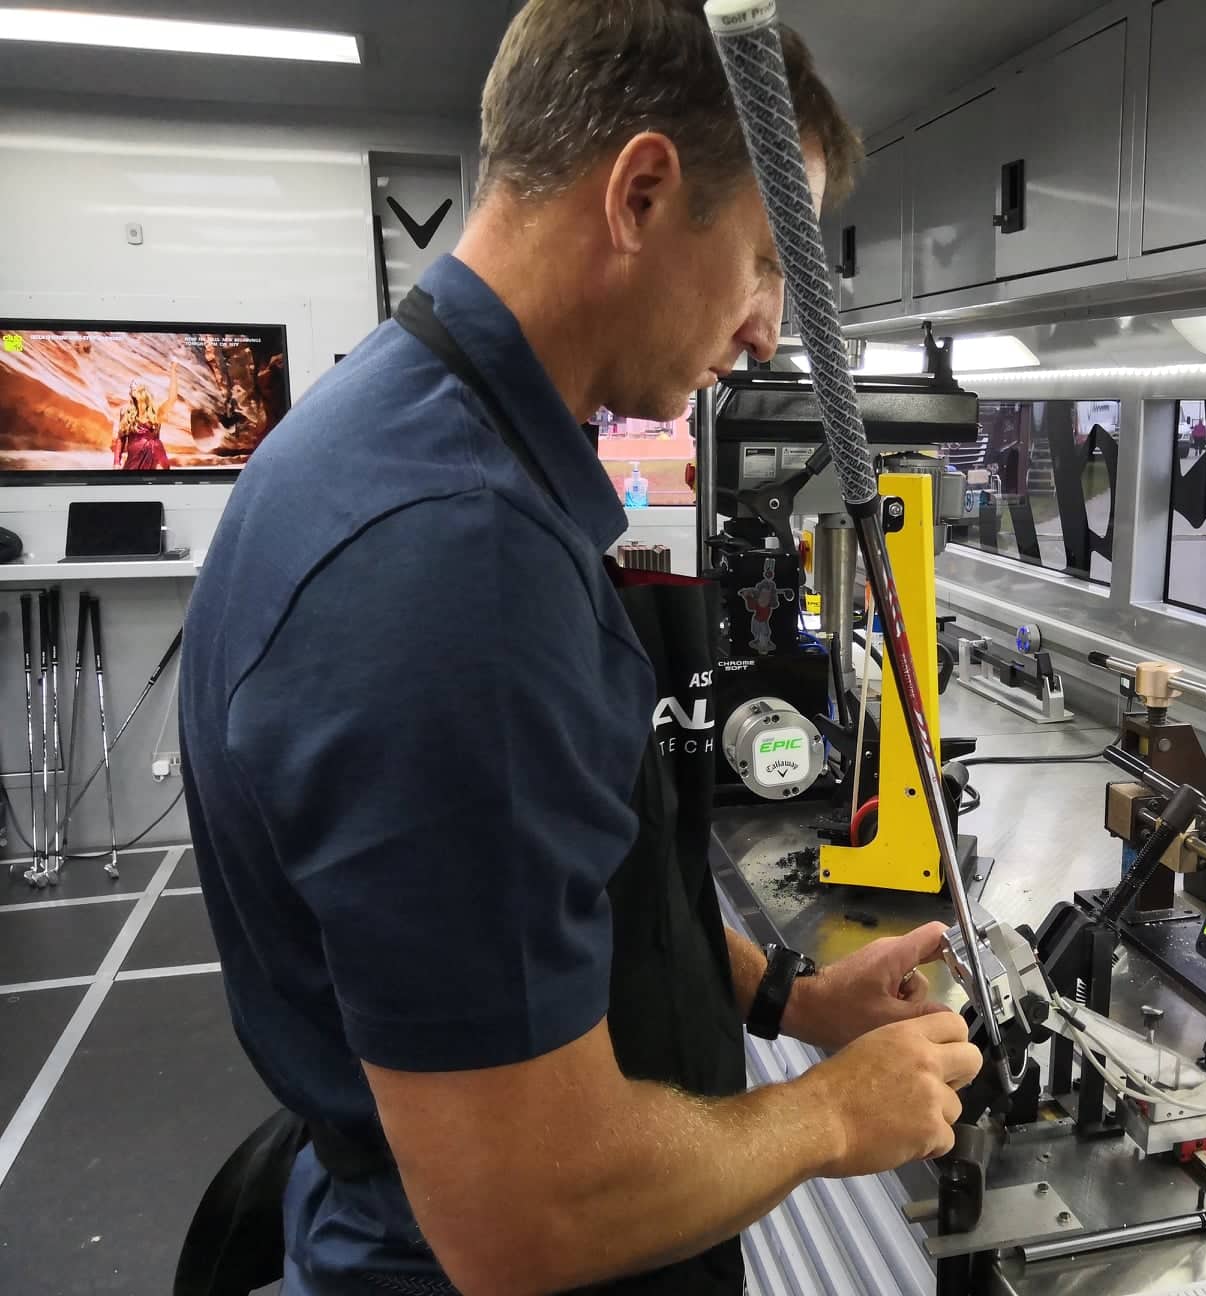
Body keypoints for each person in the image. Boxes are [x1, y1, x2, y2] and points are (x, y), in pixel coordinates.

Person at [177, 4, 982, 1295]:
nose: (766, 329)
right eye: (763, 261)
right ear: (642, 195)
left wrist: (793, 1000)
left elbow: (579, 894)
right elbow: (526, 1215)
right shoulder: (455, 565)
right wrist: (832, 1114)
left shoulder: (419, 440)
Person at [112, 359, 180, 470]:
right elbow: (121, 438)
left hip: (155, 461)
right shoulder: (126, 412)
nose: (136, 398)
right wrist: (116, 462)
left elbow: (172, 398)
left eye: (139, 394)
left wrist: (173, 371)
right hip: (133, 463)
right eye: (134, 395)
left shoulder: (156, 413)